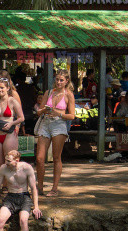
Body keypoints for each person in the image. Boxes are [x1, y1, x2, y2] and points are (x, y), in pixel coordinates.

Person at [36, 69, 75, 197]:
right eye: (57, 79)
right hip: (45, 122)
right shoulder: (49, 92)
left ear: (66, 81)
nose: (58, 82)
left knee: (56, 157)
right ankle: (39, 187)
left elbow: (72, 116)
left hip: (59, 124)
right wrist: (44, 110)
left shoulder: (68, 94)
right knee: (40, 158)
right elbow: (38, 111)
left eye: (61, 80)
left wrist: (58, 113)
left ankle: (54, 188)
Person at [0, 78, 24, 188]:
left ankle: (11, 188)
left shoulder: (12, 101)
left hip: (9, 134)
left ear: (8, 88)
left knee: (10, 163)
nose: (0, 90)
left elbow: (21, 117)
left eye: (2, 87)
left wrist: (12, 123)